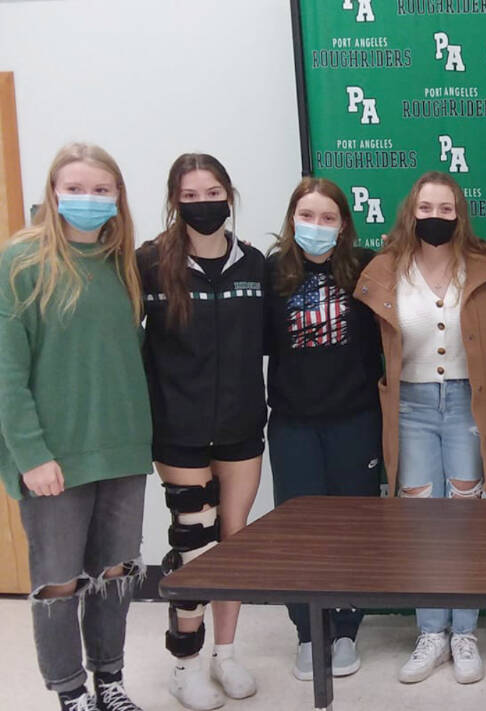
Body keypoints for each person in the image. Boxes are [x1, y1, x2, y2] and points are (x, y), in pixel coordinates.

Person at [0, 143, 151, 711]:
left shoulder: (121, 264)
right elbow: (6, 375)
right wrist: (30, 455)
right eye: (76, 188)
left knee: (115, 574)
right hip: (53, 458)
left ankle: (108, 680)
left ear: (117, 197)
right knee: (58, 582)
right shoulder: (19, 263)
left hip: (121, 449)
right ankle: (70, 693)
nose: (88, 199)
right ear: (53, 192)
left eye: (101, 189)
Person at [354, 172, 486, 686]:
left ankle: (464, 632)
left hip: (468, 401)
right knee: (420, 519)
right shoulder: (383, 270)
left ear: (459, 214)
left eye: (445, 209)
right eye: (426, 208)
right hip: (411, 406)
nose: (435, 217)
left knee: (467, 517)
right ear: (410, 212)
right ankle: (430, 632)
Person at [138, 153, 266, 710]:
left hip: (241, 426)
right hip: (179, 430)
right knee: (195, 543)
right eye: (190, 196)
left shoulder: (255, 264)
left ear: (229, 194)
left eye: (212, 192)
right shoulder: (149, 262)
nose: (203, 203)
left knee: (234, 542)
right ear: (174, 201)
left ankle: (226, 655)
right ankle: (185, 663)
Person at [263, 178, 381, 682]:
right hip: (293, 423)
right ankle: (310, 631)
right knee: (298, 533)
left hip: (354, 420)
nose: (316, 226)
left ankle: (348, 629)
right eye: (306, 216)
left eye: (327, 217)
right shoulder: (271, 272)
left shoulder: (366, 268)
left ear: (344, 224)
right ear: (292, 220)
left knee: (354, 529)